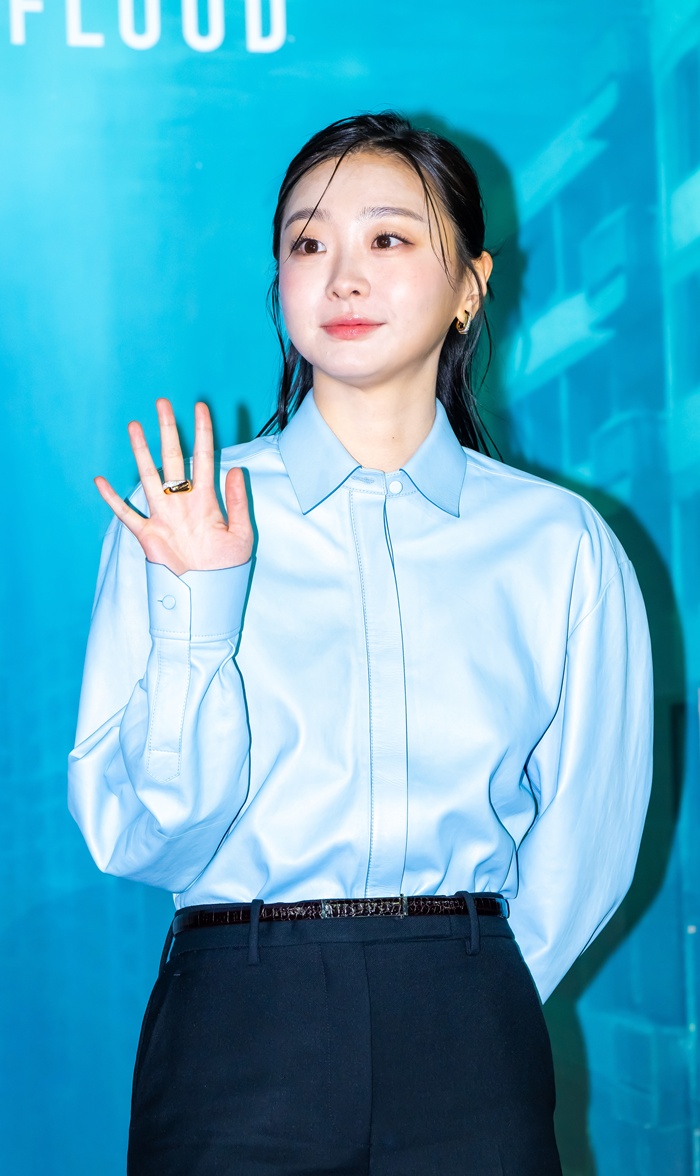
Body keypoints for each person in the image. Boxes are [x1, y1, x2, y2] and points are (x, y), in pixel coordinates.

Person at [67, 111, 653, 1175]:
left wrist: (469, 984)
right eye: (308, 242)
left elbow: (591, 835)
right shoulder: (185, 512)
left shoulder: (559, 543)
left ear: (470, 284)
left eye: (388, 237)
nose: (342, 276)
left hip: (469, 1028)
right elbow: (144, 841)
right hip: (237, 1026)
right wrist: (201, 606)